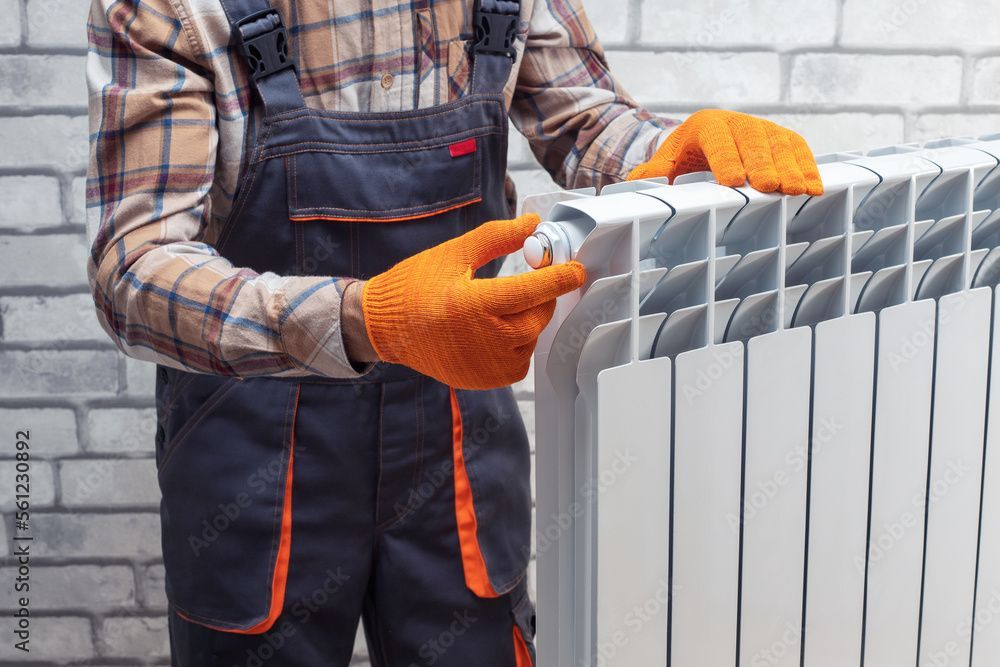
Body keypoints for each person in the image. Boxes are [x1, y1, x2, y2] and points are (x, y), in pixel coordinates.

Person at [86, 0, 823, 664]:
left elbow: (585, 121)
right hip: (253, 438)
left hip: (455, 426)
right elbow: (135, 268)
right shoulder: (174, 8)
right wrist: (369, 319)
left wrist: (670, 156)